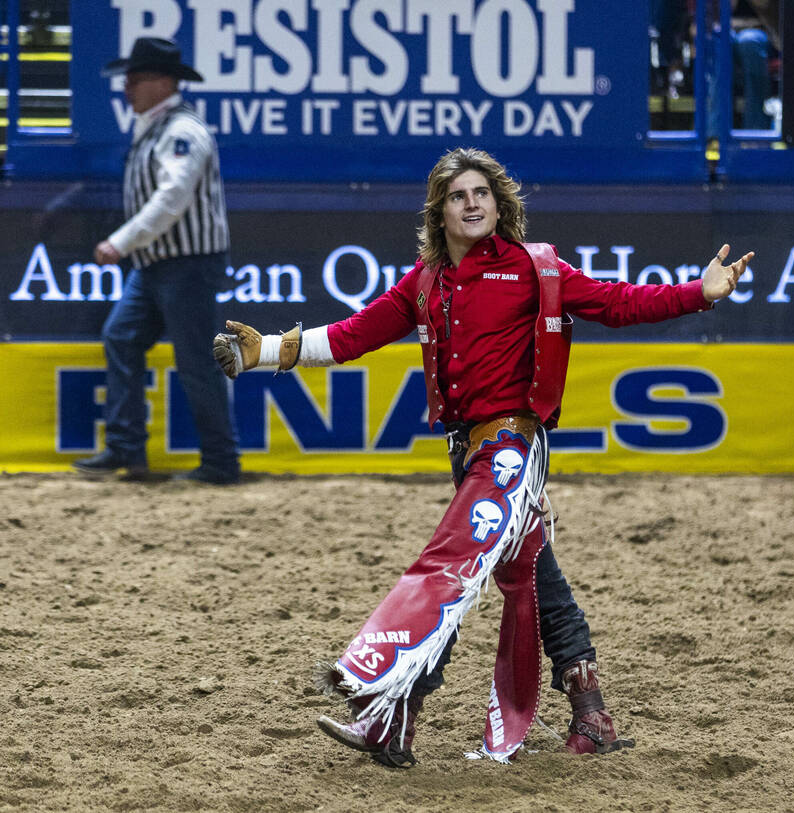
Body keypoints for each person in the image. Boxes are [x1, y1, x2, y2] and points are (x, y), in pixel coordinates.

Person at [212, 148, 753, 765]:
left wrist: (700, 293)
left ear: (499, 206)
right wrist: (266, 352)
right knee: (535, 576)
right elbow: (352, 335)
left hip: (511, 452)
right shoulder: (423, 283)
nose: (472, 203)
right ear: (439, 212)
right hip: (471, 454)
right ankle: (591, 714)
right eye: (458, 196)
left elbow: (619, 302)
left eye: (481, 194)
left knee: (450, 569)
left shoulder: (534, 268)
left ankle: (388, 704)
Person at [72, 37, 239, 485]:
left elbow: (172, 198)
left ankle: (221, 462)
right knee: (121, 337)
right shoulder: (156, 127)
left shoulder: (182, 131)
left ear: (163, 82)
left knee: (197, 361)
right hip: (157, 265)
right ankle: (126, 447)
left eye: (135, 79)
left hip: (188, 264)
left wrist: (120, 242)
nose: (126, 88)